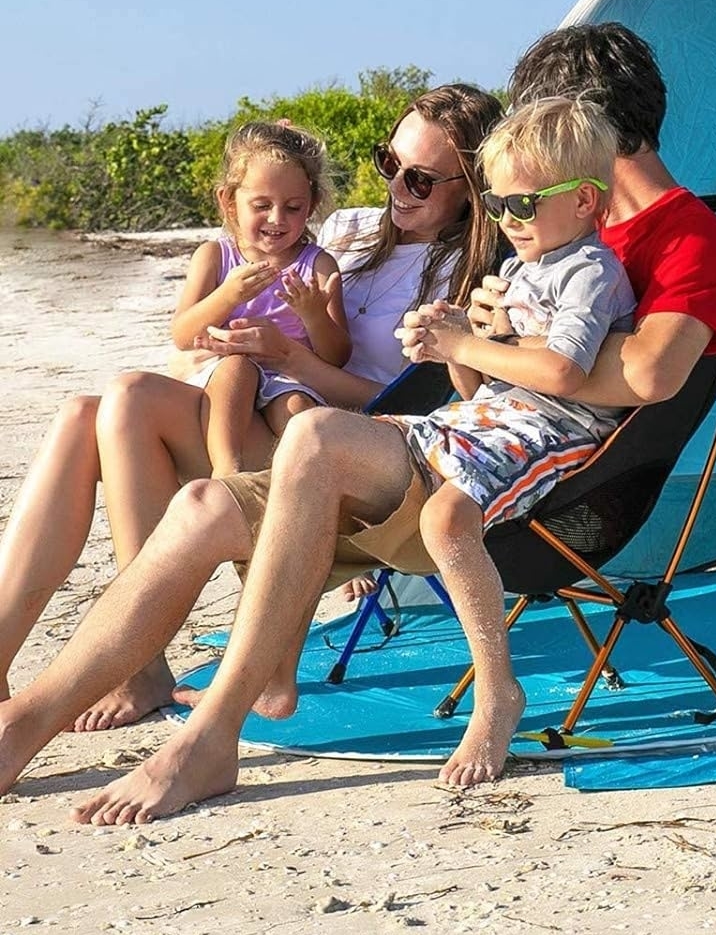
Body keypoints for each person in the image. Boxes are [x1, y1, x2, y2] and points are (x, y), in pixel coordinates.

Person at [0, 22, 716, 822]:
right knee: (202, 507)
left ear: (584, 130)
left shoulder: (680, 236)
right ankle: (23, 725)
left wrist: (499, 340)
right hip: (455, 437)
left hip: (527, 488)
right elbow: (493, 367)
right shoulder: (546, 237)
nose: (511, 202)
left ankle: (211, 738)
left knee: (314, 438)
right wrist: (483, 337)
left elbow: (649, 373)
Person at [0, 82, 504, 731]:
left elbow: (407, 402)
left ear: (469, 186)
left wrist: (290, 360)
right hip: (262, 406)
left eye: (422, 180)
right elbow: (260, 224)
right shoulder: (350, 231)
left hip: (347, 442)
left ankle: (141, 659)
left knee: (127, 401)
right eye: (389, 164)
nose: (397, 189)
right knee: (85, 412)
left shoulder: (463, 271)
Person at [372, 95, 636, 785]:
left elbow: (562, 372)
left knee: (446, 516)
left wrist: (468, 340)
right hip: (497, 421)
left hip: (560, 431)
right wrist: (451, 341)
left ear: (583, 201)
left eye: (522, 204)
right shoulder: (522, 267)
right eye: (496, 205)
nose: (506, 220)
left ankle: (497, 693)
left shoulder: (589, 271)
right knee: (353, 447)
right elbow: (474, 388)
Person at [175, 121, 351, 478]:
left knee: (300, 409)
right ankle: (227, 473)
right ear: (228, 201)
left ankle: (302, 485)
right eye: (261, 205)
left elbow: (337, 358)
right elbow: (181, 334)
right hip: (222, 372)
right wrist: (228, 295)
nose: (276, 218)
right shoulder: (214, 257)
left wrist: (315, 316)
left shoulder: (317, 265)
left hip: (287, 376)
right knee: (237, 369)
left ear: (312, 204)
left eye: (293, 207)